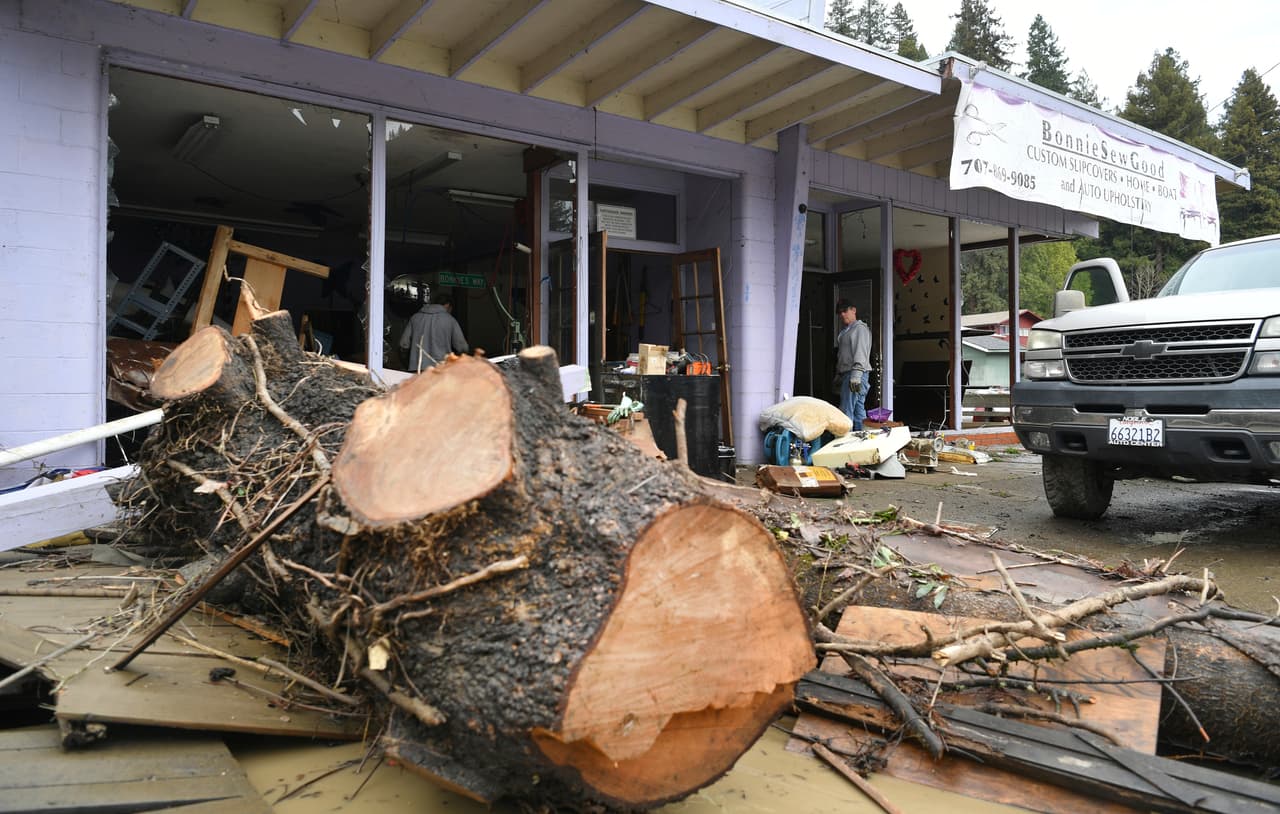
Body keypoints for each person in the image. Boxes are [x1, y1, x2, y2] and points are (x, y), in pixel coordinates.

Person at [400, 289, 468, 372]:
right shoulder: (450, 320)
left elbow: (403, 344)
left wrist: (408, 363)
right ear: (447, 305)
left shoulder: (415, 318)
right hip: (441, 369)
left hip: (417, 369)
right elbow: (462, 347)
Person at [834, 298, 871, 430]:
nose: (842, 314)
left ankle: (846, 442)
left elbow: (860, 353)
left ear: (853, 310)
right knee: (858, 411)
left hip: (855, 374)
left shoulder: (859, 329)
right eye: (840, 312)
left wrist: (855, 376)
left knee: (846, 411)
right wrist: (839, 375)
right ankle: (862, 441)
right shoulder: (847, 330)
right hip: (851, 374)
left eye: (845, 310)